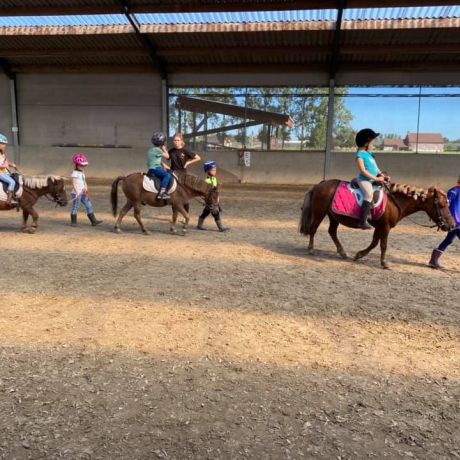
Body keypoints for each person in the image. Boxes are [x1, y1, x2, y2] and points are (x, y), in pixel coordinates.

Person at [355, 128, 390, 229]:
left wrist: (383, 176)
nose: (374, 142)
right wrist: (376, 178)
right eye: (372, 140)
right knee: (369, 194)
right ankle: (362, 221)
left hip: (373, 179)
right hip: (364, 180)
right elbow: (363, 171)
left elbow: (376, 168)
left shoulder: (370, 155)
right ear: (366, 142)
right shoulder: (360, 155)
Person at [428, 174, 460, 269]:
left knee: (448, 240)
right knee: (448, 240)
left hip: (458, 221)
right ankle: (433, 261)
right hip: (454, 221)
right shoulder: (454, 191)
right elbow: (446, 204)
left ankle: (433, 261)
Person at [168, 132, 201, 212]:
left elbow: (198, 158)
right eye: (174, 140)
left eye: (177, 140)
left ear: (181, 141)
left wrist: (189, 162)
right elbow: (167, 158)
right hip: (173, 174)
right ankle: (174, 215)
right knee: (173, 195)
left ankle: (186, 214)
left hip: (182, 175)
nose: (176, 142)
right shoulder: (171, 151)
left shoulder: (185, 151)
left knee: (184, 196)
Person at [70, 153, 103, 227]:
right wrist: (77, 191)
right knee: (76, 206)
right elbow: (73, 182)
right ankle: (73, 222)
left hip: (83, 192)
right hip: (77, 193)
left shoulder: (82, 173)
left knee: (89, 205)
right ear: (77, 165)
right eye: (81, 165)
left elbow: (84, 181)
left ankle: (93, 221)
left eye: (84, 165)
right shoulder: (75, 173)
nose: (83, 167)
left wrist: (86, 189)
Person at [197, 161, 229, 232]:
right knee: (215, 213)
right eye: (212, 170)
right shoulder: (206, 181)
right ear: (208, 171)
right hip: (210, 200)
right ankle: (221, 227)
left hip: (214, 199)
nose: (215, 171)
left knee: (205, 212)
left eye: (215, 170)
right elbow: (204, 192)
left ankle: (199, 225)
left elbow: (216, 189)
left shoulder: (214, 179)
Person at [147, 132, 172, 200]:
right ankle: (162, 192)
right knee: (167, 175)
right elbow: (167, 156)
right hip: (156, 168)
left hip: (150, 169)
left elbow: (155, 159)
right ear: (162, 142)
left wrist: (163, 165)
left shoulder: (151, 149)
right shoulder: (158, 150)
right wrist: (164, 148)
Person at [0, 133, 18, 204]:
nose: (4, 145)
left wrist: (11, 164)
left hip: (4, 172)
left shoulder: (3, 154)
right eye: (3, 144)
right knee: (12, 182)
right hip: (0, 173)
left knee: (15, 178)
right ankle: (9, 199)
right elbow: (3, 165)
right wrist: (5, 166)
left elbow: (6, 162)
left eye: (5, 144)